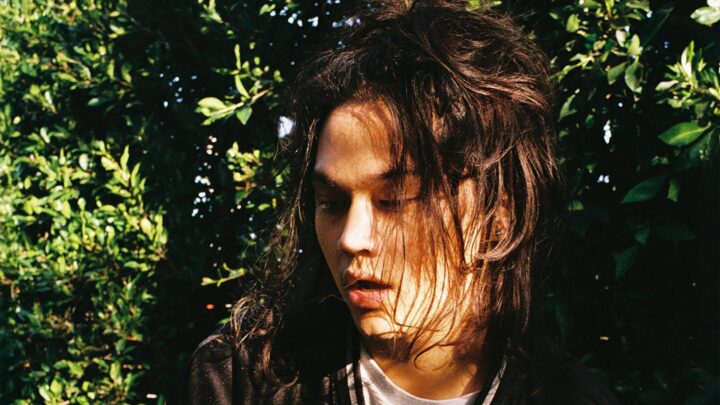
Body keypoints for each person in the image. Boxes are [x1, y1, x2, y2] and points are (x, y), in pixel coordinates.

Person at [181, 1, 620, 403]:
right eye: (331, 202)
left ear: (497, 218)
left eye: (395, 199)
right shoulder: (241, 382)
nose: (351, 238)